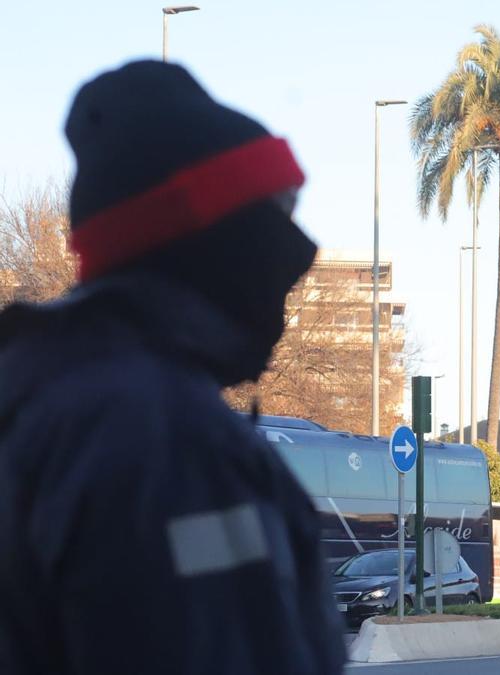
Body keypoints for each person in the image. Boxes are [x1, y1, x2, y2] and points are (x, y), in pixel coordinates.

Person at [0, 61, 345, 674]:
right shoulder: (169, 442)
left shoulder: (37, 400)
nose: (300, 252)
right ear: (211, 236)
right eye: (276, 214)